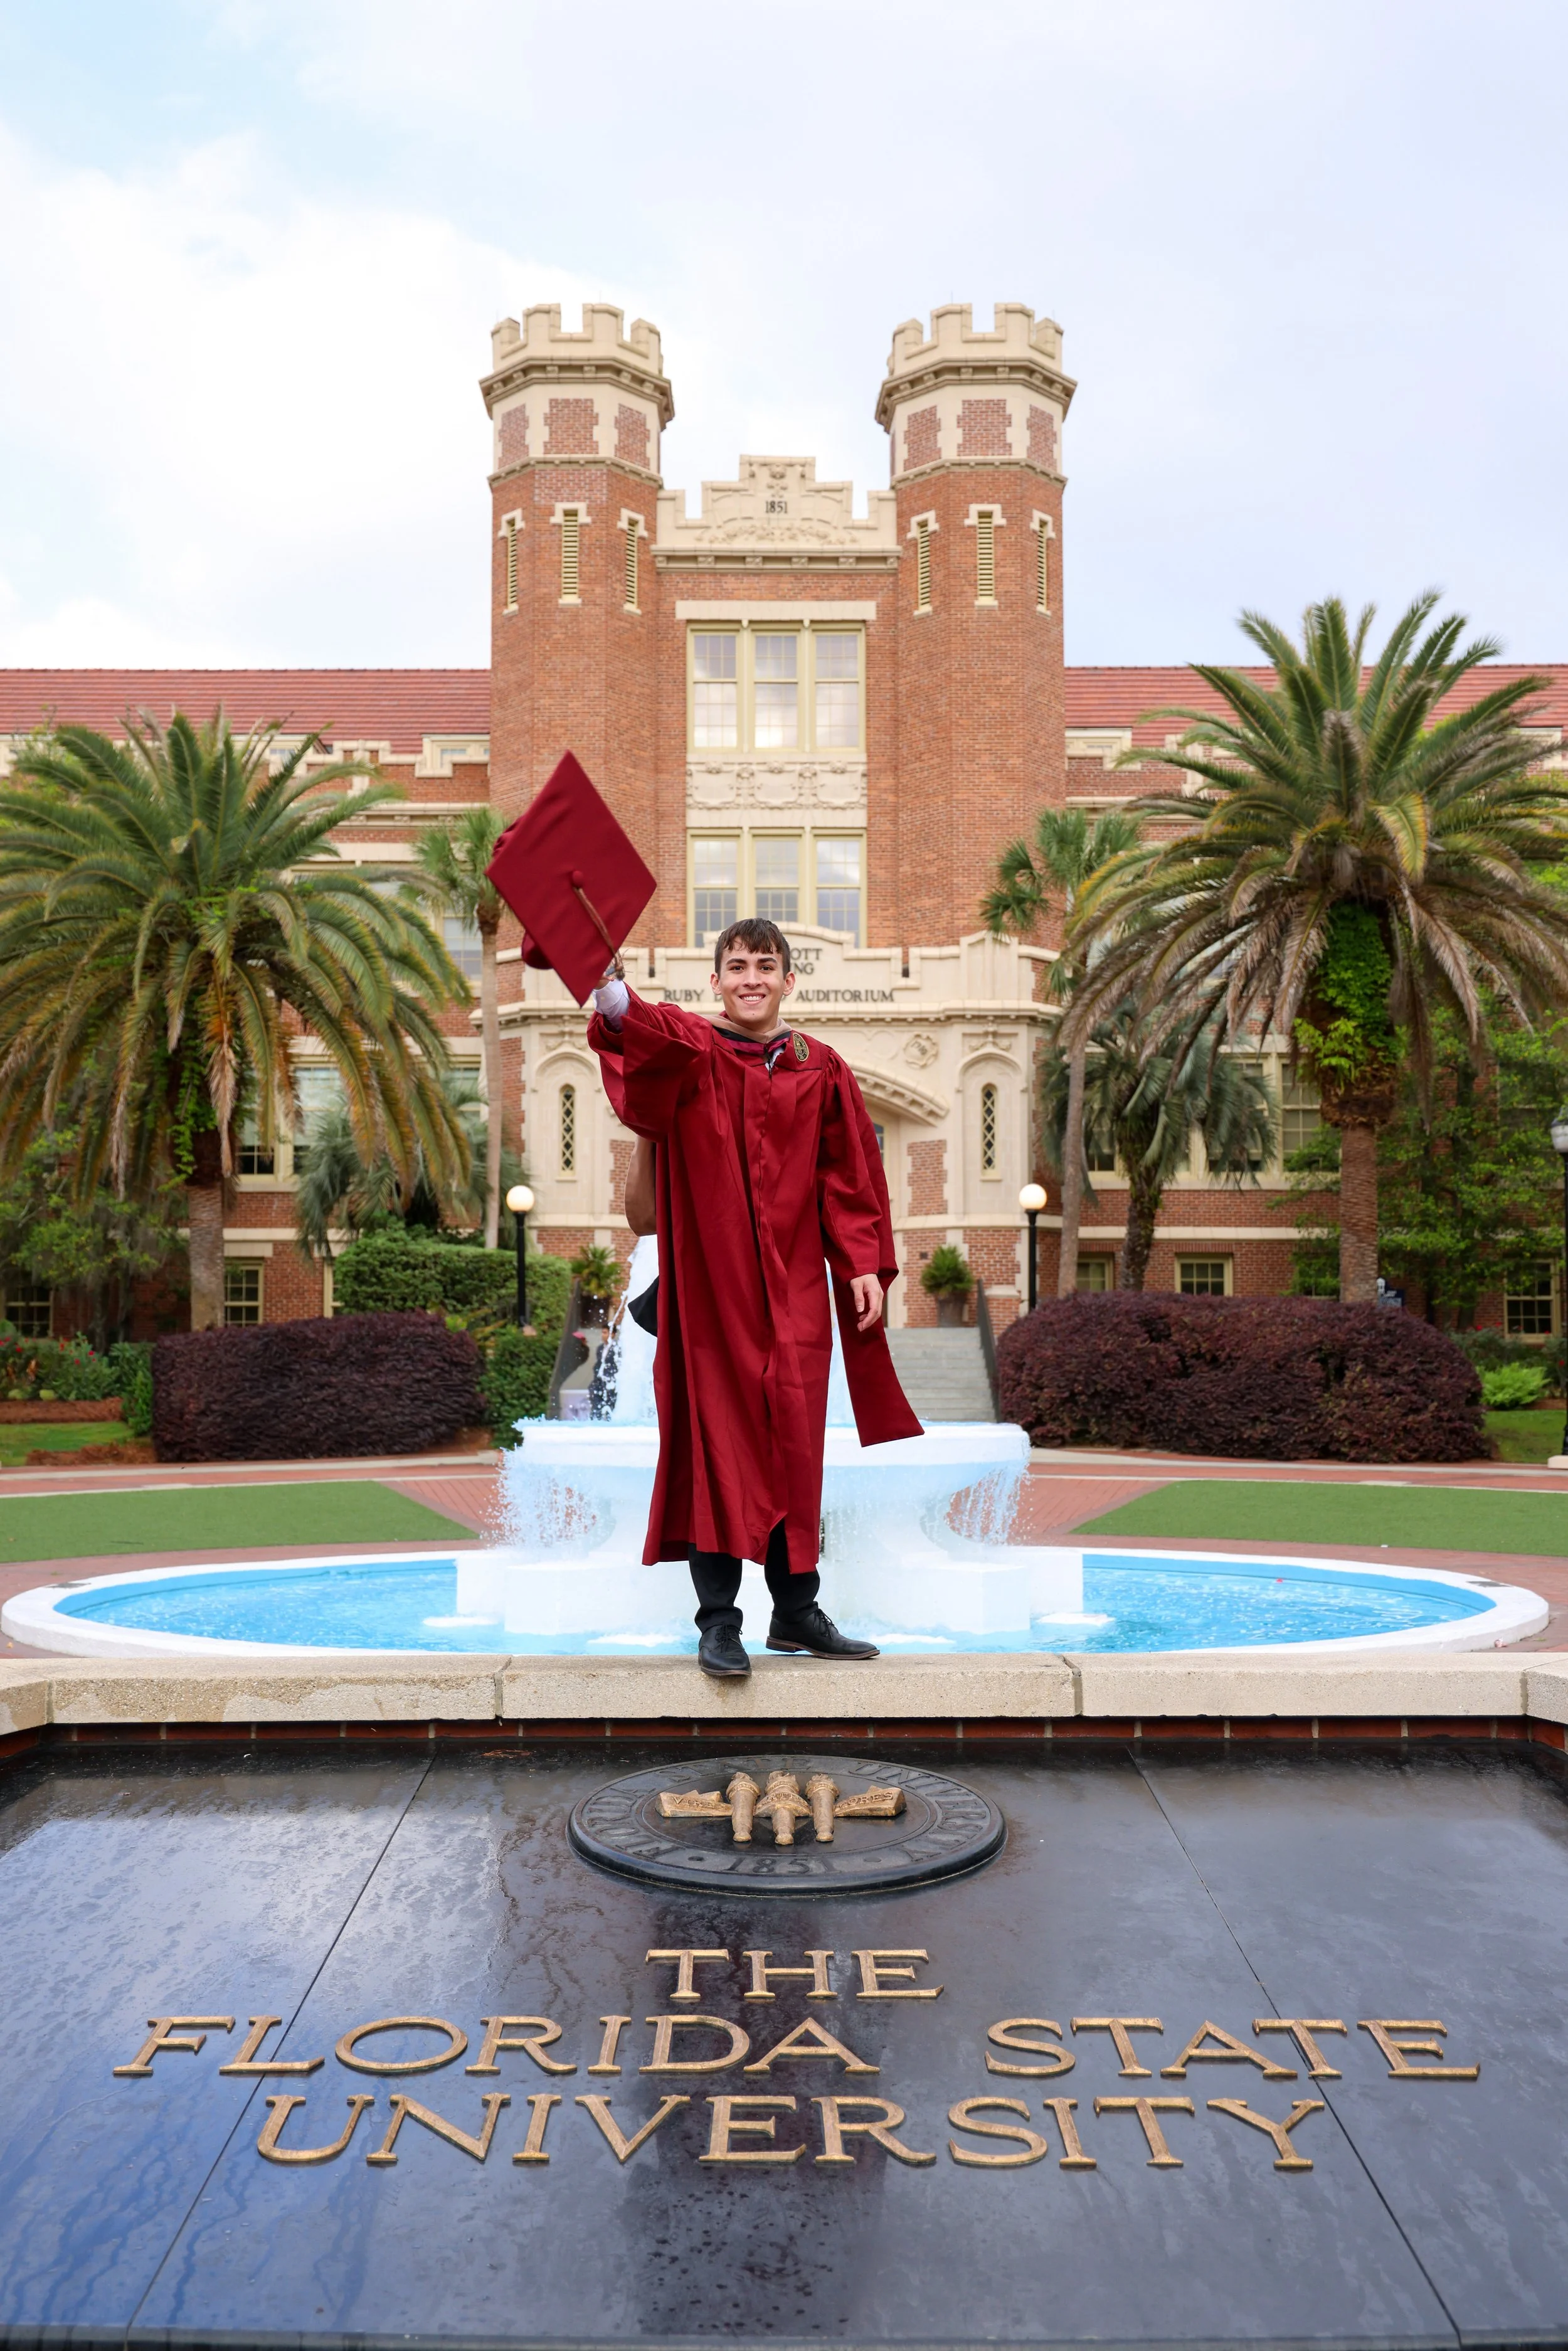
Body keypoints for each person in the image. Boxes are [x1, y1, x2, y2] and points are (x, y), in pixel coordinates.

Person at [588, 917, 921, 1679]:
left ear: (787, 980)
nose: (750, 978)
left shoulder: (821, 1067)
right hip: (710, 1294)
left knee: (796, 1448)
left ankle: (796, 1613)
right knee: (717, 1447)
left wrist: (863, 1261)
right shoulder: (693, 1054)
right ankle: (718, 1623)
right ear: (715, 981)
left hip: (797, 1289)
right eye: (735, 966)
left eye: (764, 966)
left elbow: (848, 1175)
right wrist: (612, 992)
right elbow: (647, 1031)